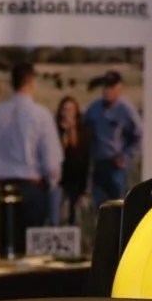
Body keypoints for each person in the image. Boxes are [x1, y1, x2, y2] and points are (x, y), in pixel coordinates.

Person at [0, 60, 63, 228]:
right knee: (33, 247)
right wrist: (53, 183)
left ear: (12, 83)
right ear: (32, 81)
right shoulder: (41, 115)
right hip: (33, 189)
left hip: (5, 189)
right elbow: (51, 163)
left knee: (8, 242)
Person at [84, 70, 143, 206]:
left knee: (118, 206)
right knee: (98, 205)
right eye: (105, 86)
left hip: (116, 166)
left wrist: (126, 157)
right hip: (98, 164)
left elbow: (138, 135)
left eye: (111, 87)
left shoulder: (126, 109)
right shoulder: (94, 108)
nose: (107, 90)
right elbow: (84, 129)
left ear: (119, 88)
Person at [55, 95, 91, 225]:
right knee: (58, 215)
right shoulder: (56, 130)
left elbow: (85, 158)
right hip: (59, 181)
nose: (67, 112)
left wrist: (84, 189)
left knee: (74, 217)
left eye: (71, 109)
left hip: (76, 181)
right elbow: (58, 154)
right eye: (65, 109)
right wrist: (65, 132)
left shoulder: (82, 132)